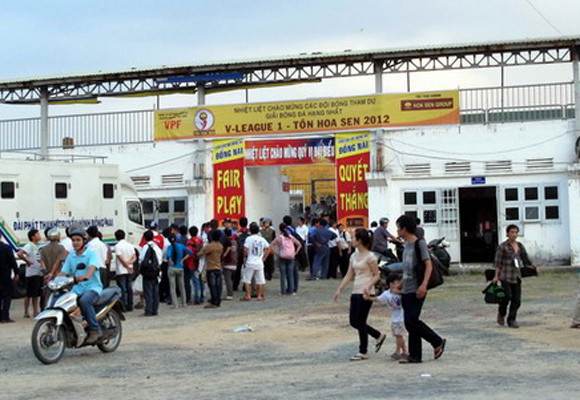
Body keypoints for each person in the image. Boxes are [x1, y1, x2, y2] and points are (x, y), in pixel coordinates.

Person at [393, 215, 446, 364]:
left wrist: (424, 285)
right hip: (406, 289)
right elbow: (407, 269)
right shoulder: (406, 246)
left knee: (411, 320)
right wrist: (401, 284)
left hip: (417, 288)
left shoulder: (419, 244)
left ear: (405, 228)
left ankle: (436, 341)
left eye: (398, 227)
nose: (397, 230)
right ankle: (415, 356)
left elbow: (428, 265)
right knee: (410, 322)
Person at [333, 228, 385, 361]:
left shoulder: (370, 256)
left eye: (354, 238)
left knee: (360, 321)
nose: (351, 240)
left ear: (360, 240)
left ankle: (363, 351)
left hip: (366, 292)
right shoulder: (354, 256)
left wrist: (369, 286)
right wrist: (340, 289)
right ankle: (378, 335)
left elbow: (377, 275)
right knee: (353, 321)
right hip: (356, 290)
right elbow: (349, 274)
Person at [59, 227, 103, 344]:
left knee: (85, 301)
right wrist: (55, 280)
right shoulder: (71, 256)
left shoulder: (91, 254)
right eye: (73, 240)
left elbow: (92, 266)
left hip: (93, 288)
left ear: (84, 241)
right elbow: (64, 271)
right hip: (77, 288)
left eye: (78, 240)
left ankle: (95, 330)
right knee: (63, 301)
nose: (75, 243)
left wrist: (87, 276)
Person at [493, 224, 539, 329]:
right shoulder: (502, 247)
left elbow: (525, 258)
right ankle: (501, 313)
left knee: (517, 300)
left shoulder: (519, 246)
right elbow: (497, 263)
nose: (514, 234)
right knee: (507, 296)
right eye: (512, 232)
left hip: (516, 276)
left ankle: (512, 320)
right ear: (507, 234)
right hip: (505, 276)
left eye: (516, 232)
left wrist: (533, 266)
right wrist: (496, 276)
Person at [364, 273, 408, 360]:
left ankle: (397, 351)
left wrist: (398, 291)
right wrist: (368, 298)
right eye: (396, 282)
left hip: (401, 318)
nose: (398, 284)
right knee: (398, 335)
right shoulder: (387, 294)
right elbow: (377, 299)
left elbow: (405, 293)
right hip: (394, 318)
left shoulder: (402, 293)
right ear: (390, 284)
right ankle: (405, 352)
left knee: (399, 335)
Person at [18, 229, 44, 318]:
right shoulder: (29, 245)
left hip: (38, 272)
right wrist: (28, 262)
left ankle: (35, 311)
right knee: (29, 294)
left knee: (35, 294)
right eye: (37, 234)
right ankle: (27, 311)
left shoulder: (38, 246)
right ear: (33, 237)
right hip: (32, 273)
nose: (39, 235)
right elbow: (20, 254)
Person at [40, 228, 69, 309]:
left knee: (47, 295)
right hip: (58, 275)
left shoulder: (44, 249)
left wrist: (46, 273)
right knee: (59, 296)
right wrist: (52, 273)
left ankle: (46, 309)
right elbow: (58, 262)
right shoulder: (61, 248)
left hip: (47, 276)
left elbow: (41, 262)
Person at [242, 222, 271, 301]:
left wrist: (245, 256)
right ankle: (259, 295)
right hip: (259, 261)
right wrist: (264, 257)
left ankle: (248, 295)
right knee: (260, 280)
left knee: (247, 279)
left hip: (250, 261)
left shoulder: (248, 239)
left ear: (250, 231)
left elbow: (245, 249)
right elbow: (268, 248)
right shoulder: (262, 239)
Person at [271, 223, 302, 295]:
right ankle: (291, 290)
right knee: (290, 274)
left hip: (282, 257)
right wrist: (295, 252)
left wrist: (276, 253)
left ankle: (283, 291)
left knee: (282, 275)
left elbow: (272, 244)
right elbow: (299, 244)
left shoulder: (279, 238)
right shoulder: (291, 237)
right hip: (291, 257)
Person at [198, 230, 224, 308]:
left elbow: (200, 253)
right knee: (218, 286)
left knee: (212, 286)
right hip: (218, 267)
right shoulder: (220, 246)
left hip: (211, 267)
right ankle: (218, 300)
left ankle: (213, 302)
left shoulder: (210, 246)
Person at [140, 230, 163, 317]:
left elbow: (141, 260)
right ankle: (155, 309)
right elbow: (160, 259)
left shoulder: (145, 247)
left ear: (145, 238)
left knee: (148, 291)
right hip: (156, 271)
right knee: (155, 291)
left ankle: (148, 310)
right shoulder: (157, 247)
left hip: (147, 272)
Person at [167, 235, 193, 308]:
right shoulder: (181, 246)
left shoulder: (169, 247)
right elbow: (190, 252)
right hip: (180, 267)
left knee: (173, 287)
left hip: (172, 268)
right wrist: (183, 259)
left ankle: (175, 304)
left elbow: (168, 256)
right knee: (182, 286)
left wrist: (170, 260)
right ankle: (183, 303)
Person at [114, 229, 136, 311]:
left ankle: (123, 306)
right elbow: (134, 257)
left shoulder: (117, 246)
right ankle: (130, 305)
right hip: (129, 269)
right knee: (129, 287)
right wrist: (129, 264)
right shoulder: (130, 245)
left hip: (121, 270)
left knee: (122, 288)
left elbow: (120, 258)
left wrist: (126, 265)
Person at [0, 239, 19, 323]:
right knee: (7, 296)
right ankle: (5, 317)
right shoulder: (6, 248)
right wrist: (16, 272)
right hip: (5, 275)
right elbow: (12, 261)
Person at [186, 226, 204, 305]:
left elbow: (189, 253)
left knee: (195, 281)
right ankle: (202, 297)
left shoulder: (190, 242)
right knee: (200, 280)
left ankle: (197, 298)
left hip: (192, 263)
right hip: (200, 263)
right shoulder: (200, 241)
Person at [234, 217, 250, 291]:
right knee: (247, 269)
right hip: (248, 252)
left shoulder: (238, 233)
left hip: (239, 252)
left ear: (240, 224)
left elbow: (233, 239)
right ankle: (245, 286)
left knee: (238, 269)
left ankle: (235, 285)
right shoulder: (249, 232)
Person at [222, 228, 238, 300]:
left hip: (227, 262)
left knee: (227, 279)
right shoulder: (234, 242)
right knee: (231, 279)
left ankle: (230, 294)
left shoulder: (225, 242)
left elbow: (224, 253)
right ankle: (231, 292)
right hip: (234, 262)